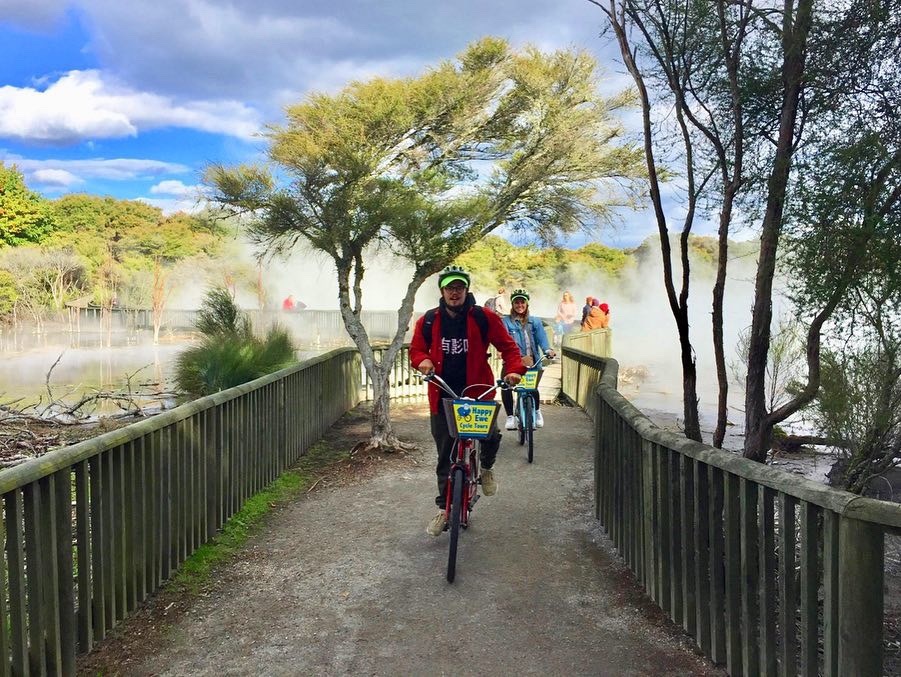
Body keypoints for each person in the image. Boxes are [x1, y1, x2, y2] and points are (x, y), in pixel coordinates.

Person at [410, 265, 526, 537]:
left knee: (491, 435)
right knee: (445, 454)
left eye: (459, 287)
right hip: (443, 393)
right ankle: (443, 510)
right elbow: (416, 350)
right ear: (442, 291)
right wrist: (423, 360)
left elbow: (509, 348)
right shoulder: (429, 320)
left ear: (466, 290)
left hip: (477, 391)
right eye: (450, 287)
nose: (455, 292)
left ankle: (486, 468)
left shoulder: (483, 317)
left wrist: (513, 371)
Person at [501, 288, 556, 430]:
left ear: (527, 304)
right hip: (513, 361)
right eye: (517, 302)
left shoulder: (535, 321)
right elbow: (503, 339)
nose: (520, 305)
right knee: (506, 386)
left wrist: (547, 350)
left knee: (533, 387)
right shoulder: (506, 321)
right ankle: (510, 416)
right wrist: (502, 352)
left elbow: (542, 338)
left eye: (522, 302)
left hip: (532, 360)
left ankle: (536, 411)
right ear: (512, 304)